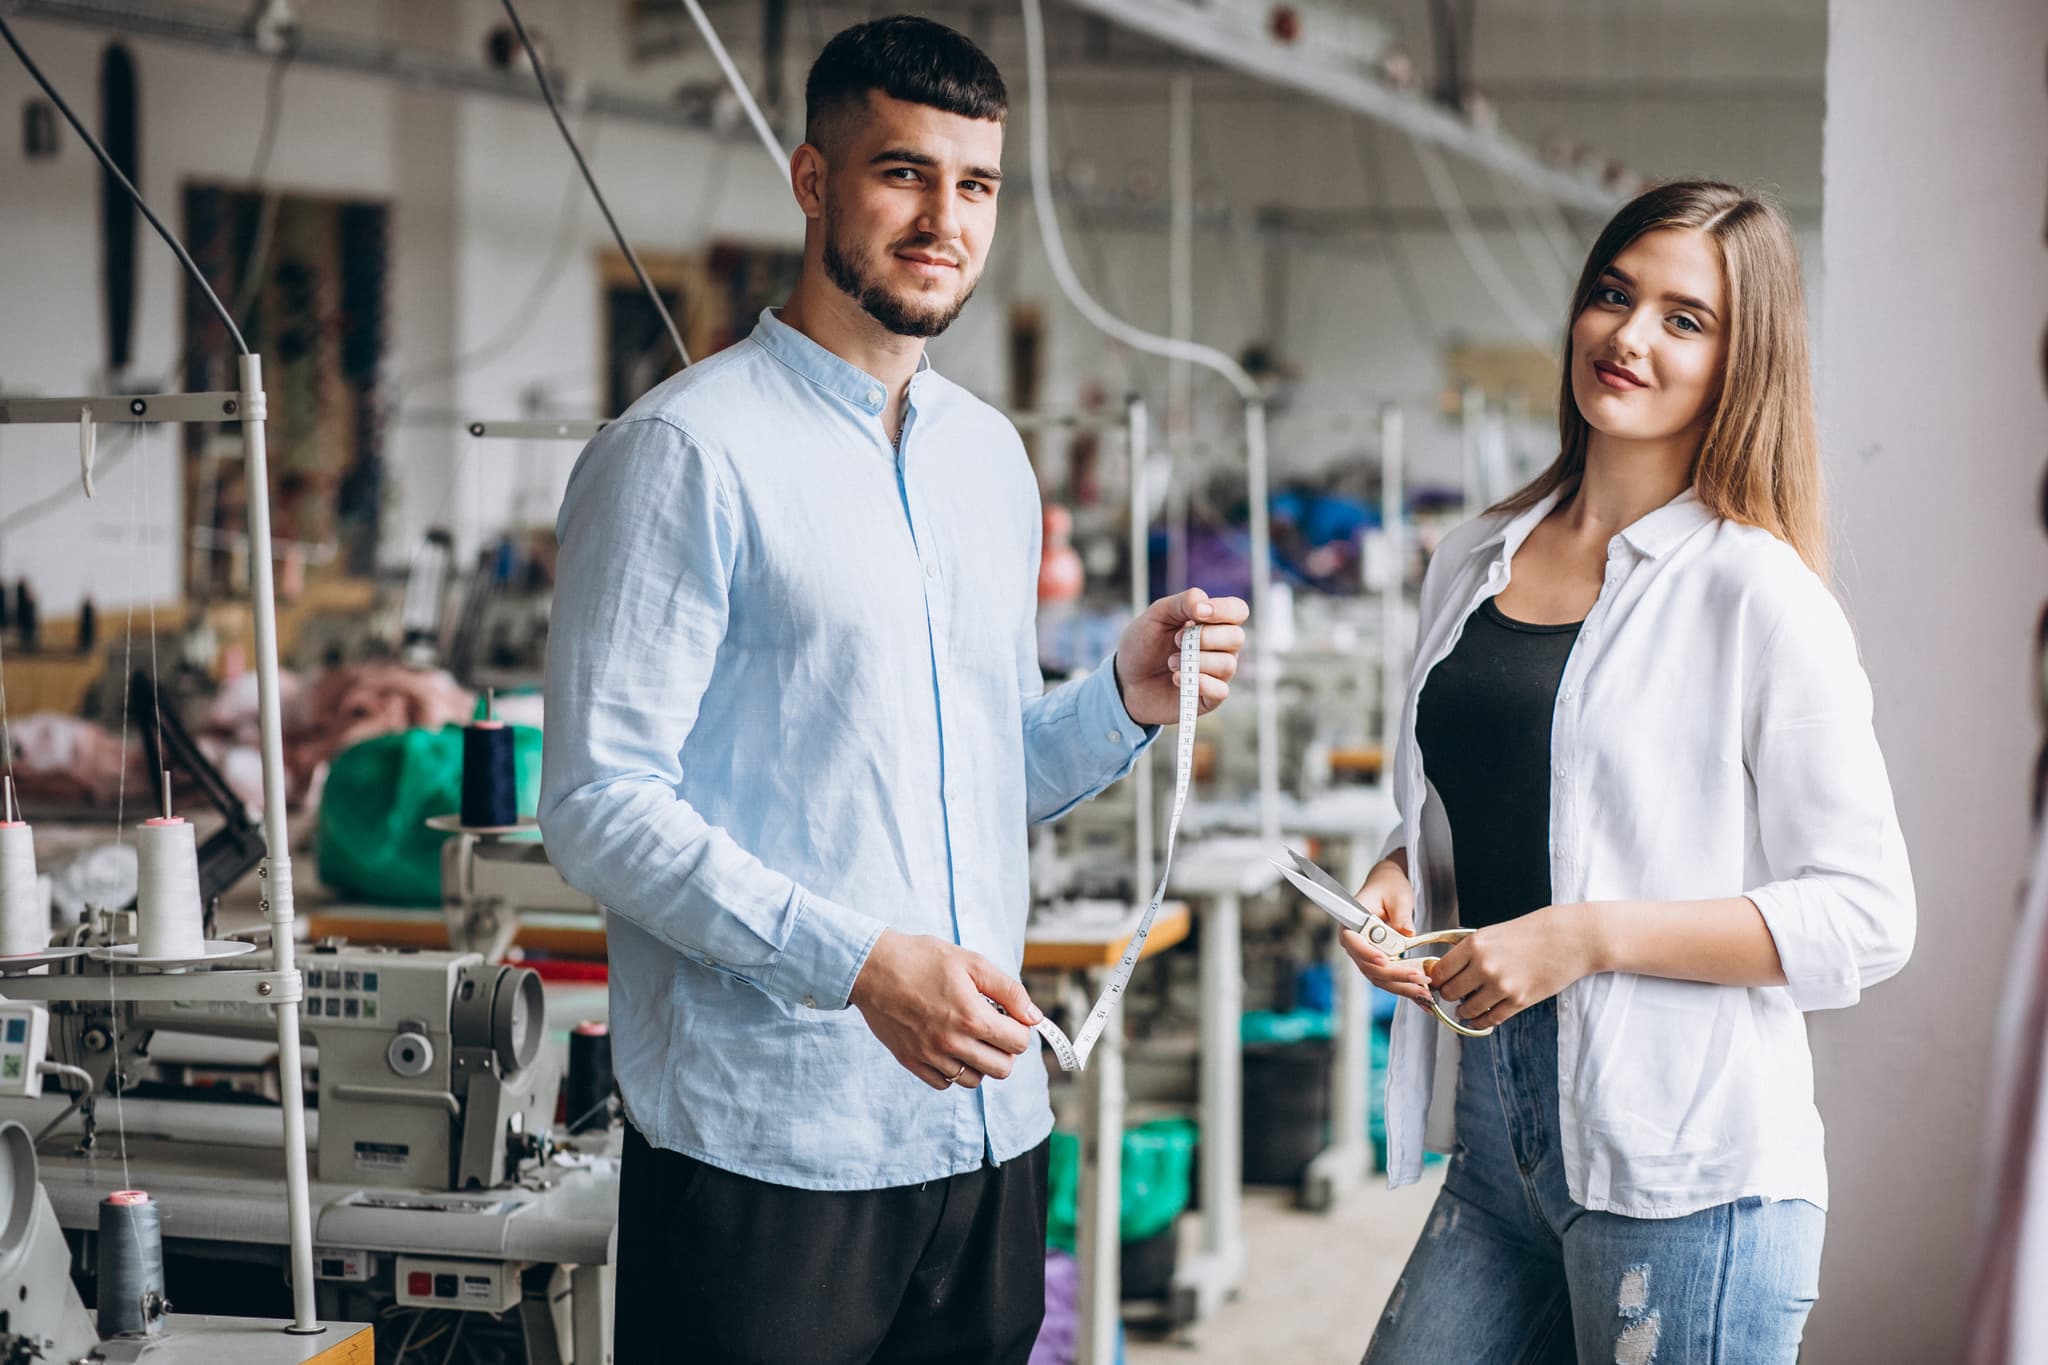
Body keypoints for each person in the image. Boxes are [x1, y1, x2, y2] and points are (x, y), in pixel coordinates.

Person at [537, 16, 1249, 1365]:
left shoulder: (990, 461)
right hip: (772, 1150)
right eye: (903, 175)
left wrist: (1124, 699)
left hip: (983, 1136)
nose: (945, 220)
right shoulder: (687, 451)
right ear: (814, 182)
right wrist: (859, 966)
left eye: (975, 185)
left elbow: (968, 772)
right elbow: (598, 804)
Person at [1346, 180, 1915, 1364]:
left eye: (1682, 318)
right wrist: (1405, 875)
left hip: (1686, 1171)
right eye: (1612, 294)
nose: (1628, 336)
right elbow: (1498, 793)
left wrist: (1585, 935)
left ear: (1735, 361)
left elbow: (1865, 916)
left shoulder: (1754, 594)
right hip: (1496, 1137)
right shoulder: (1469, 558)